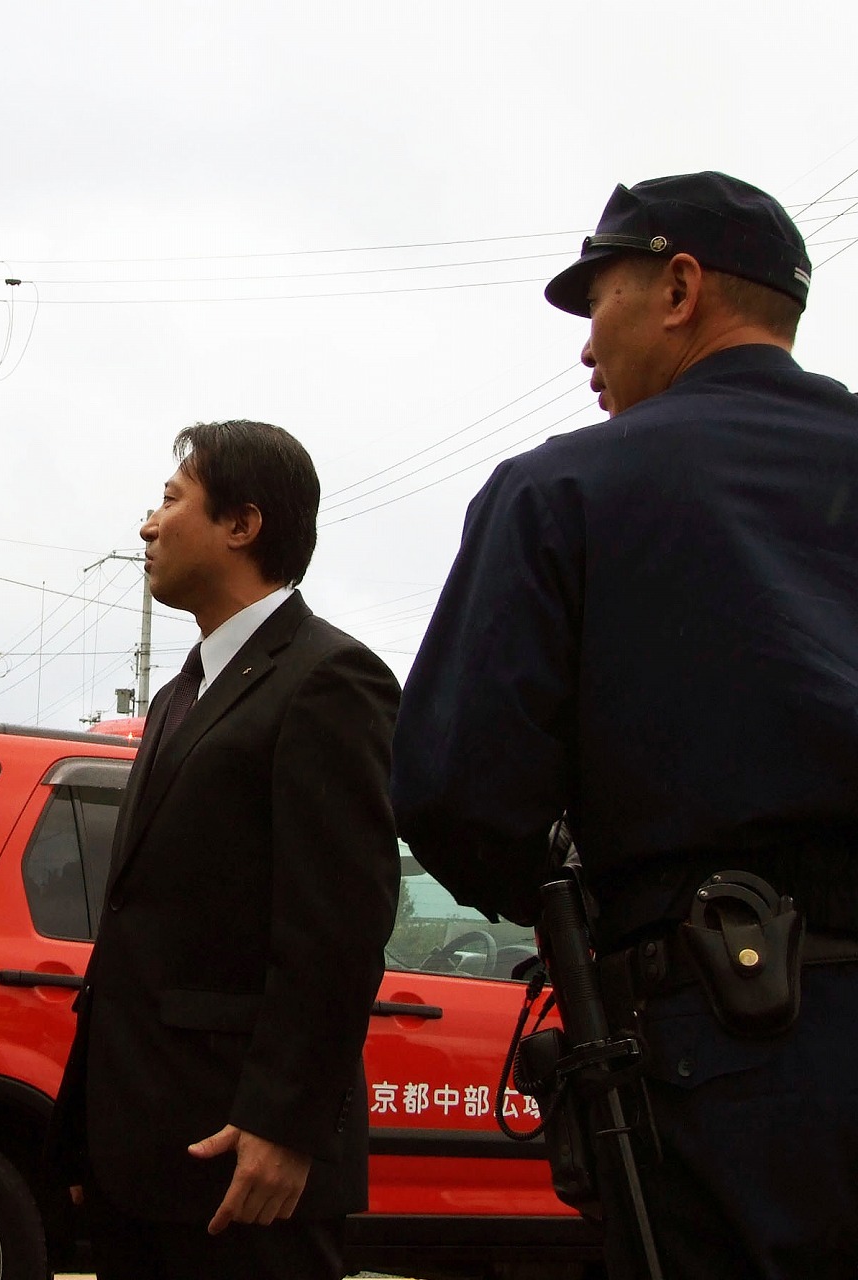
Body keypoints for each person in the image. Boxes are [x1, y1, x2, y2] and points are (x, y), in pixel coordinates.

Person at [390, 170, 858, 1279]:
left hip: (721, 1036)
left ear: (680, 287)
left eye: (596, 302)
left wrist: (598, 905)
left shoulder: (562, 490)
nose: (585, 349)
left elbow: (453, 789)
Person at [48, 420, 400, 1280]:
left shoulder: (329, 679)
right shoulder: (182, 692)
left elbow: (338, 928)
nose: (147, 526)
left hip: (247, 1158)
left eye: (170, 501)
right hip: (143, 1155)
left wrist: (287, 1125)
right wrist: (89, 1131)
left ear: (242, 525)